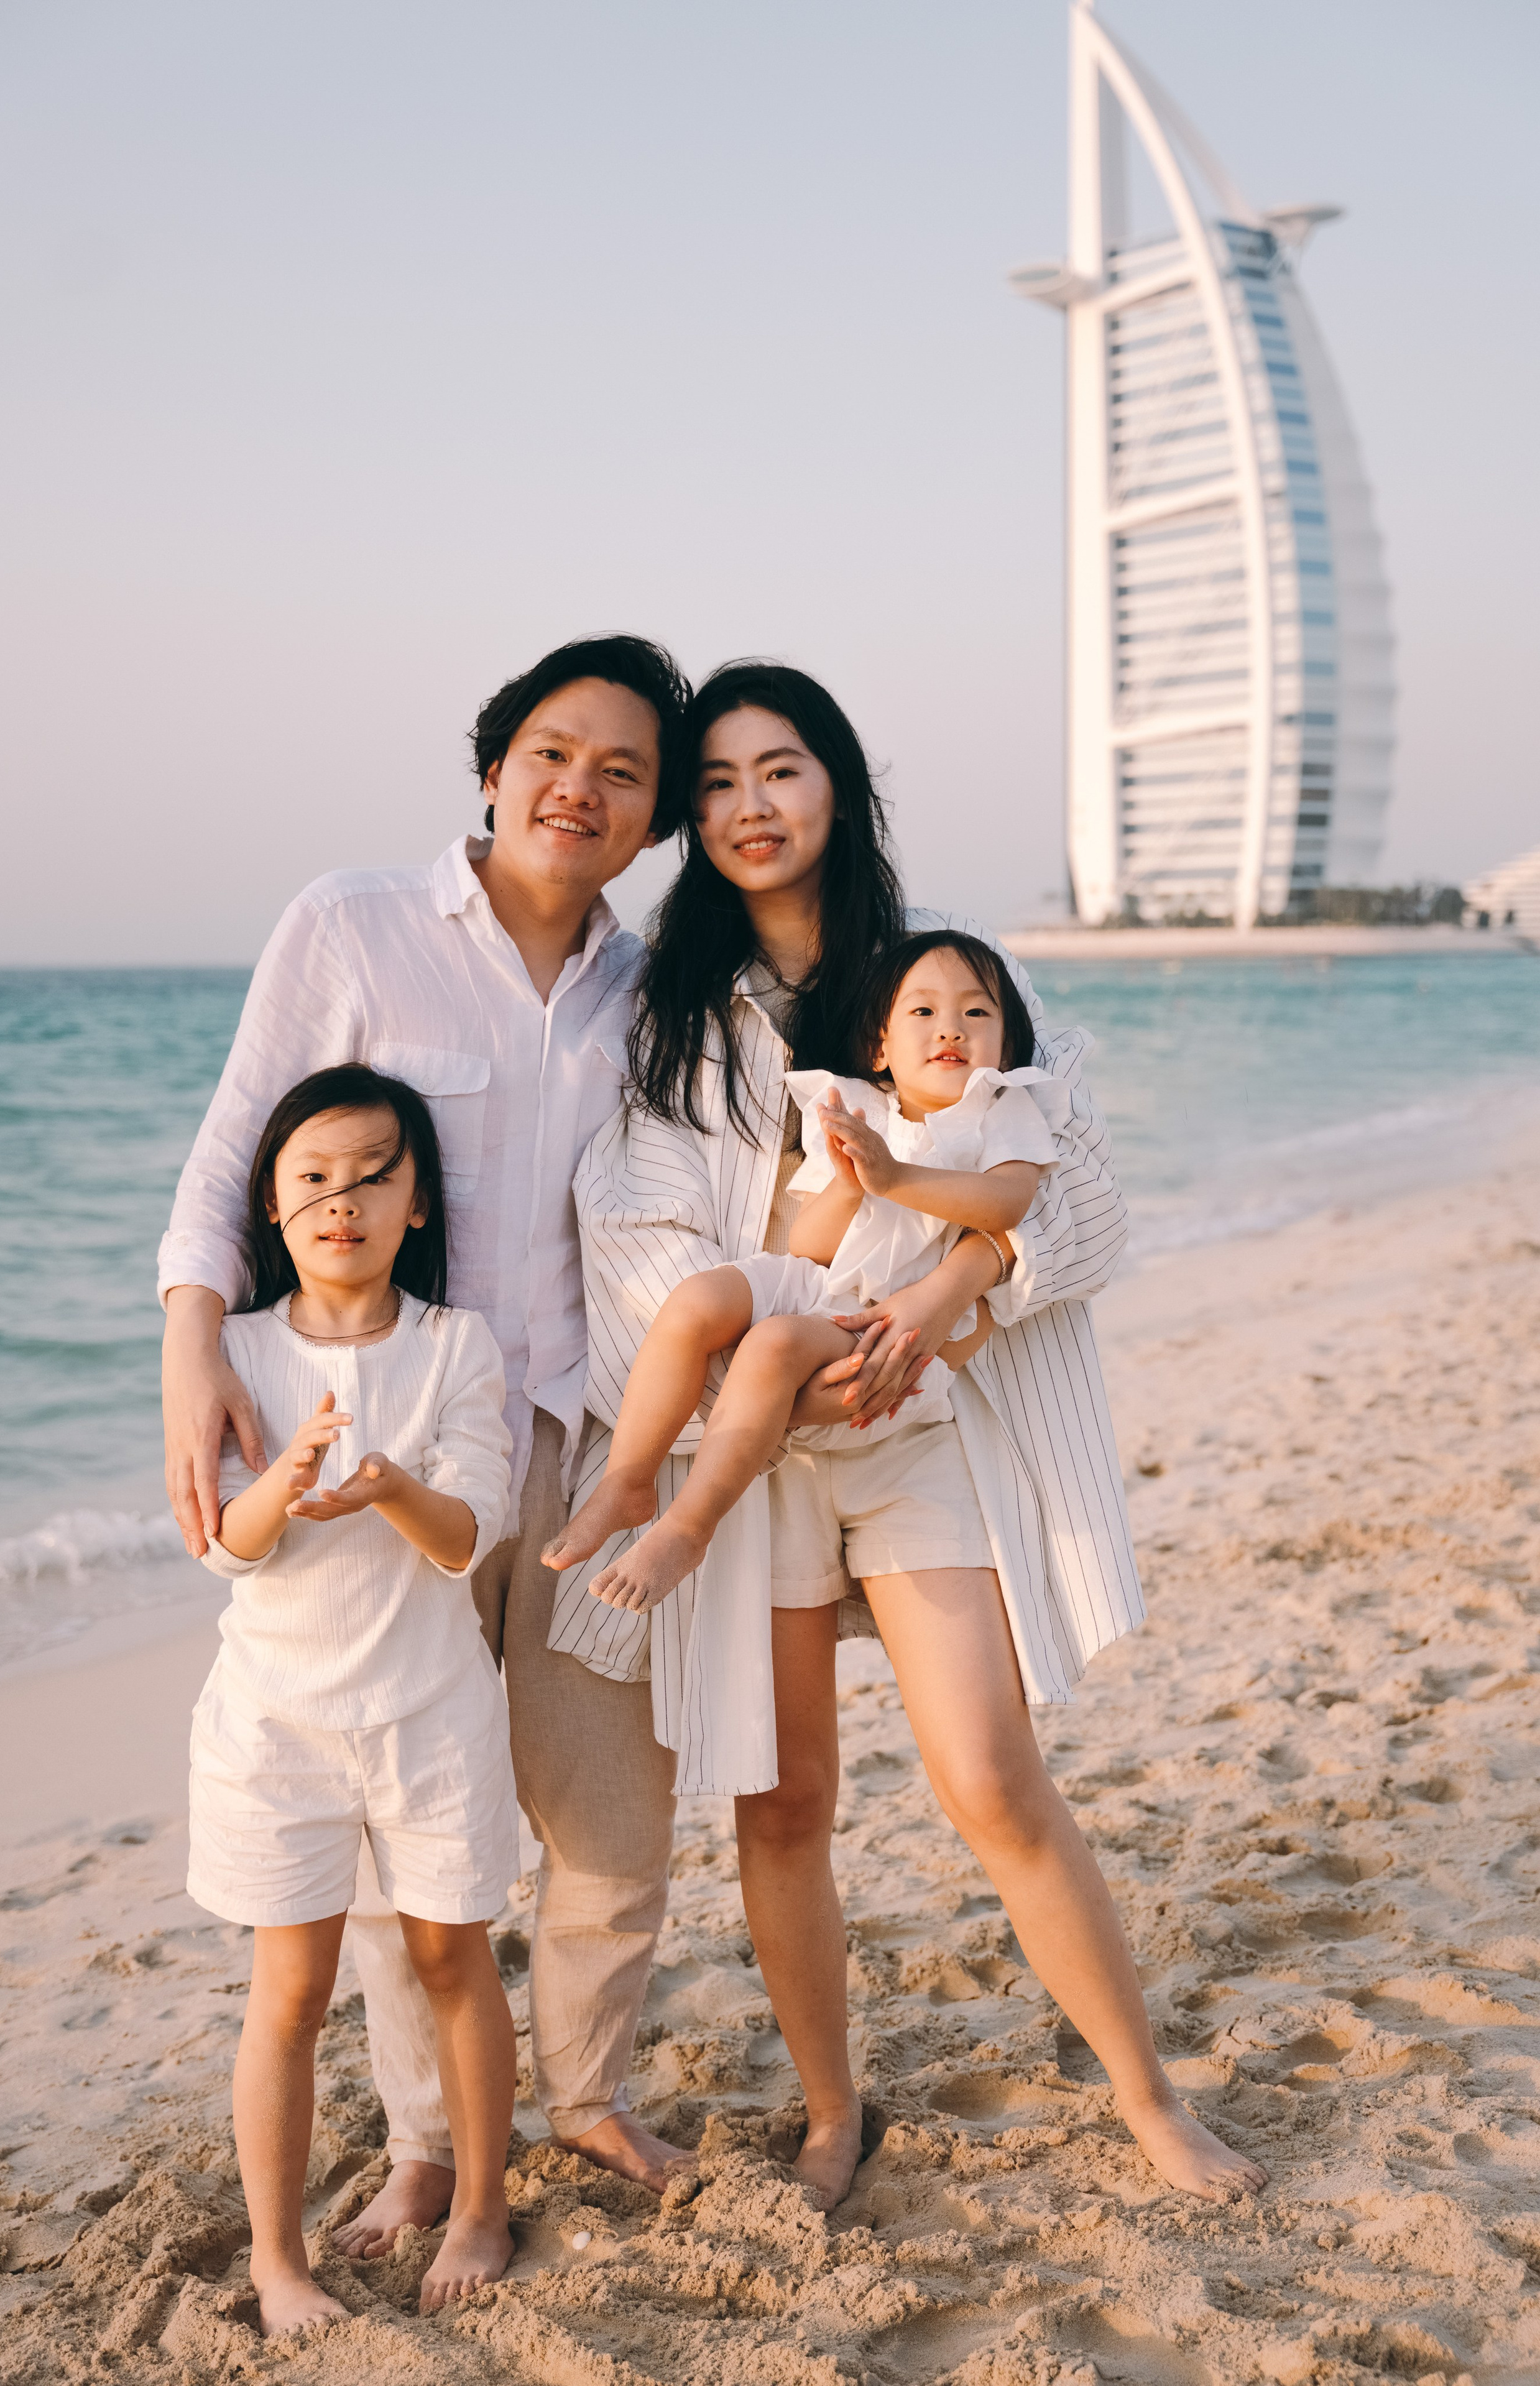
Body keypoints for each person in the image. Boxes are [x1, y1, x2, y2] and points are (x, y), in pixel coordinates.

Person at [548, 660, 1265, 2205]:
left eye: (781, 770)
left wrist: (945, 1306)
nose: (750, 805)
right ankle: (827, 2113)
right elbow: (634, 1229)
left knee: (992, 1779)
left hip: (925, 1416)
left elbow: (1073, 1193)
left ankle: (1146, 2099)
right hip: (754, 1451)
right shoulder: (659, 1013)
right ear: (693, 815)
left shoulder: (943, 972)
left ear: (839, 789)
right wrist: (775, 1358)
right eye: (720, 782)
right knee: (782, 1796)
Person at [160, 636, 709, 2259]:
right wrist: (196, 1340)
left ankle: (589, 2089)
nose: (580, 788)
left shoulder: (653, 982)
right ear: (492, 764)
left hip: (586, 1438)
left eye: (623, 771)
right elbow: (233, 1144)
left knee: (611, 1801)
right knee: (413, 1811)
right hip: (382, 1449)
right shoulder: (355, 923)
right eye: (555, 749)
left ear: (651, 814)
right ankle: (417, 2145)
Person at [187, 1065, 515, 2333]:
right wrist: (292, 1471)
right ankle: (278, 2259)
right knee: (290, 1990)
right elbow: (226, 1541)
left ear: (417, 1199)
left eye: (374, 1173)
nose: (344, 1200)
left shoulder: (455, 1346)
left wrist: (383, 1482)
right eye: (313, 1178)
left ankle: (479, 2199)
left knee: (449, 1951)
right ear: (272, 1206)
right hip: (274, 1725)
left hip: (431, 1709)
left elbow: (466, 1531)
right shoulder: (240, 1350)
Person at [544, 931, 1066, 1612]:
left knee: (775, 1344)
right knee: (697, 1300)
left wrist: (896, 1176)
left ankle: (689, 1524)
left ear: (1005, 1046)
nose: (950, 1030)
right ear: (880, 1045)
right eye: (923, 1013)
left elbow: (1008, 1202)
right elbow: (812, 1246)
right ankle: (628, 1477)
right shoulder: (857, 1107)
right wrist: (851, 1183)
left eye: (976, 1014)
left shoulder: (1001, 1108)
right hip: (822, 1285)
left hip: (882, 1323)